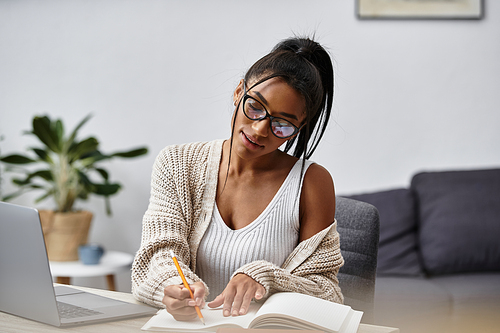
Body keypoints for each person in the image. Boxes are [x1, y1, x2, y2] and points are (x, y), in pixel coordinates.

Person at [132, 36, 344, 321]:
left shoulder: (311, 182)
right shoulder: (177, 163)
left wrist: (265, 278)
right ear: (238, 92)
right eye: (255, 107)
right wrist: (174, 288)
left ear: (299, 127)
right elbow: (158, 255)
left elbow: (326, 291)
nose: (259, 130)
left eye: (282, 124)